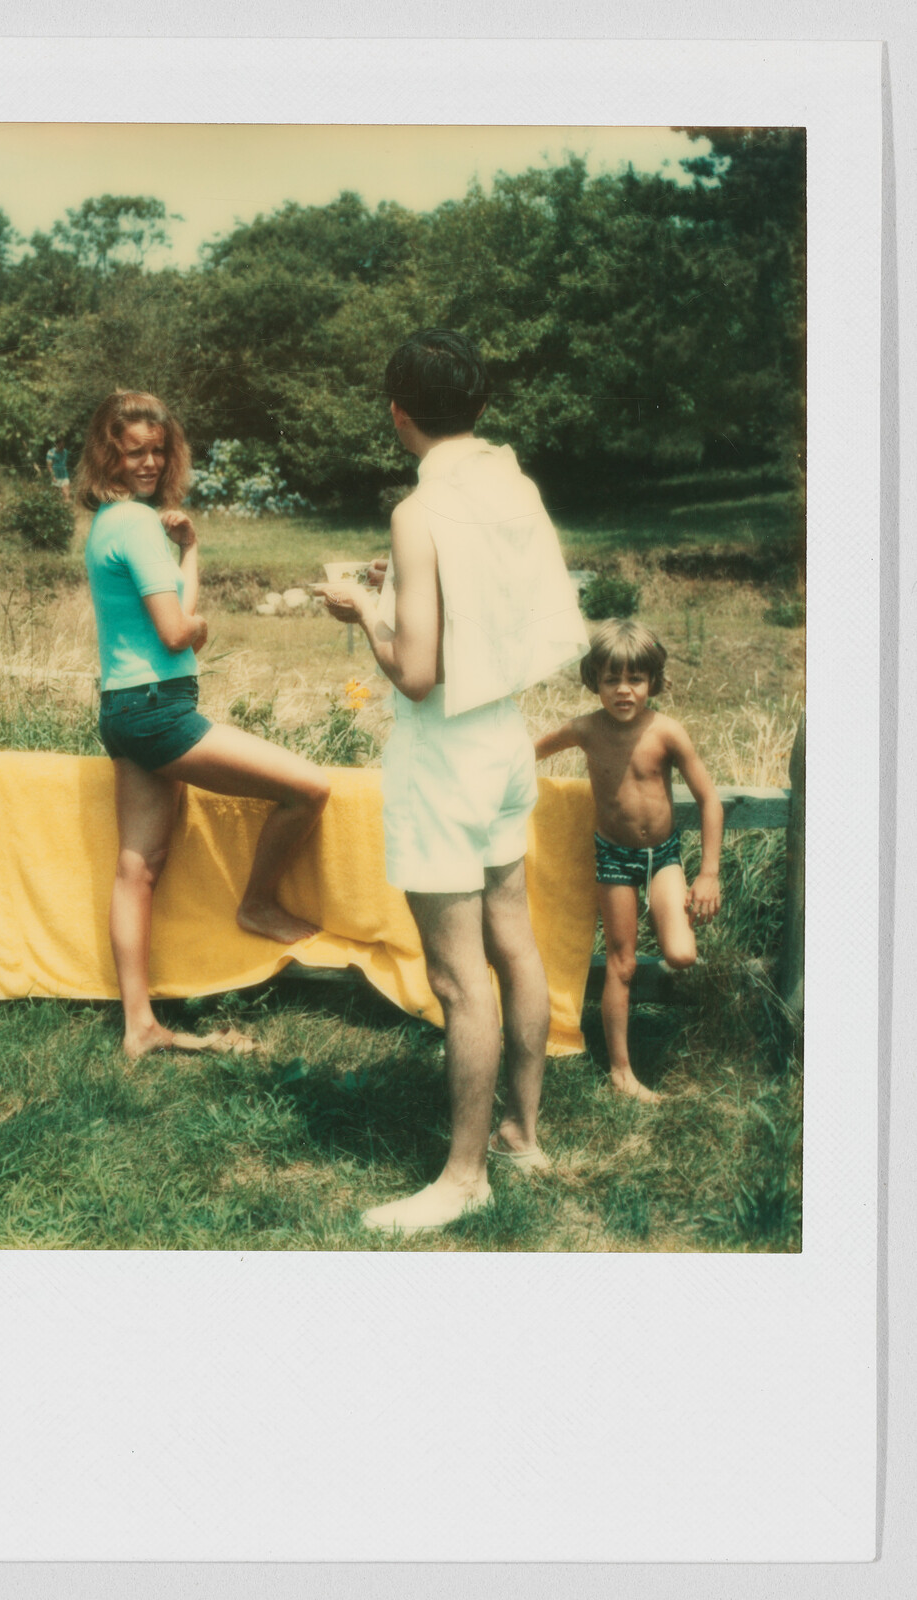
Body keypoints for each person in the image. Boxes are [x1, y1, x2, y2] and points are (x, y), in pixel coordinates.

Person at [317, 329, 590, 1234]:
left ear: (400, 415)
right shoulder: (511, 485)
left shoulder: (418, 512)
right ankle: (523, 1131)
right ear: (480, 407)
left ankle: (463, 1179)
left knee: (457, 972)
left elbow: (418, 671)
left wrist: (364, 610)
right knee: (513, 935)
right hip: (507, 737)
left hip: (444, 753)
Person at [80, 390, 331, 1061]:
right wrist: (199, 628)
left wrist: (189, 552)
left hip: (124, 709)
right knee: (308, 788)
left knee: (139, 868)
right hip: (160, 709)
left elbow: (168, 617)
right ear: (109, 453)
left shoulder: (111, 524)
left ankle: (140, 1026)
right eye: (135, 451)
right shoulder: (135, 524)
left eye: (160, 451)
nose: (151, 463)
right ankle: (258, 905)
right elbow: (177, 631)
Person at [534, 619, 723, 1102]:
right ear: (593, 680)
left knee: (681, 954)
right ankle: (622, 1073)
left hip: (663, 856)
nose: (623, 691)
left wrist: (708, 873)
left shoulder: (667, 733)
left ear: (652, 682)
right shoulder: (586, 729)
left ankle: (637, 1054)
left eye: (635, 680)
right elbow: (524, 754)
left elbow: (710, 801)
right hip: (614, 856)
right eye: (610, 680)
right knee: (621, 962)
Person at [48, 437, 71, 502]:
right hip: (55, 476)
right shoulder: (51, 452)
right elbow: (49, 465)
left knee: (66, 495)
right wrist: (52, 476)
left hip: (64, 476)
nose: (62, 447)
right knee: (55, 497)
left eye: (63, 445)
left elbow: (64, 463)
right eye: (61, 445)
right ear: (57, 444)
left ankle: (67, 509)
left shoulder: (65, 452)